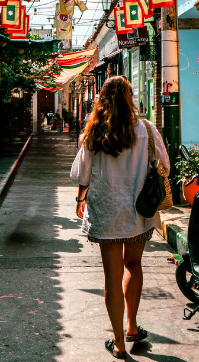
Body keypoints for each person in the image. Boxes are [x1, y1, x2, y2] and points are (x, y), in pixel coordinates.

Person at [70, 76, 170, 358]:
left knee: (111, 277)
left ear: (102, 100)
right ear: (130, 99)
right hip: (138, 211)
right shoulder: (147, 129)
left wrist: (80, 199)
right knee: (134, 265)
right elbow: (166, 167)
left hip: (106, 210)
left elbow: (82, 175)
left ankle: (118, 343)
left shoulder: (93, 133)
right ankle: (133, 326)